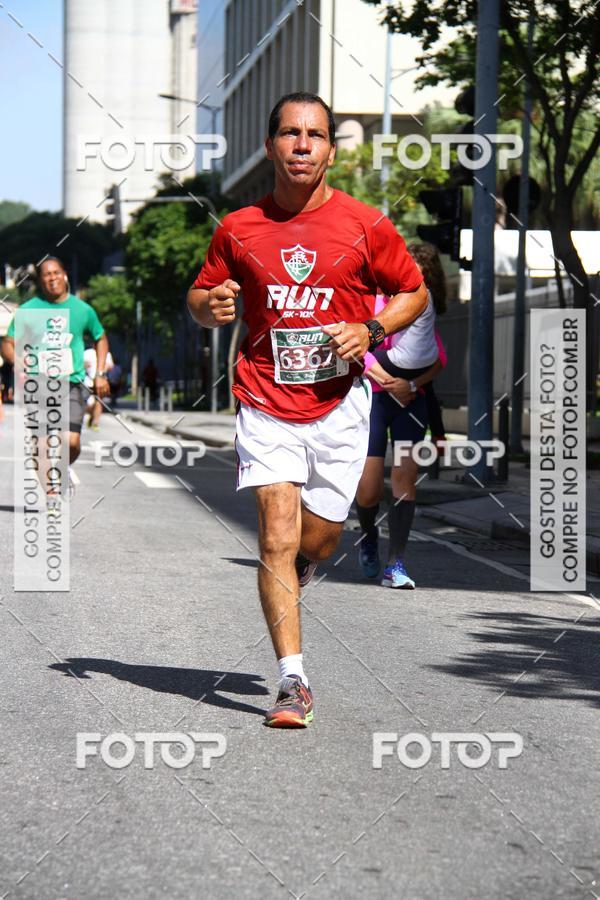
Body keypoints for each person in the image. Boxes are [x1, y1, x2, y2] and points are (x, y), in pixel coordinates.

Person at [187, 91, 427, 728]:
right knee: (276, 533)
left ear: (329, 150)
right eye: (289, 134)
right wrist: (207, 306)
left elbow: (413, 290)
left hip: (340, 406)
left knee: (317, 541)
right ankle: (293, 681)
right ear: (270, 146)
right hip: (264, 398)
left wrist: (372, 333)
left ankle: (295, 572)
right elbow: (202, 291)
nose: (301, 145)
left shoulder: (364, 225)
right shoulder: (238, 227)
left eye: (314, 135)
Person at [355, 242, 448, 588]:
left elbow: (439, 359)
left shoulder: (424, 312)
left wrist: (411, 384)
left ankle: (396, 564)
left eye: (421, 280)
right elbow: (357, 350)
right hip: (375, 401)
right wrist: (388, 382)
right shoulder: (375, 301)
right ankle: (367, 534)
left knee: (404, 479)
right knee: (367, 489)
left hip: (412, 402)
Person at [2, 257, 110, 495]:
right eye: (46, 275)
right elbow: (8, 344)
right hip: (37, 383)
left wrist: (100, 374)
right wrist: (18, 361)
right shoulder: (28, 310)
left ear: (65, 275)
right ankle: (51, 494)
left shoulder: (82, 310)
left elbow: (100, 338)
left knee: (70, 441)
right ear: (40, 281)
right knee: (41, 444)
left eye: (56, 273)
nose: (52, 278)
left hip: (72, 382)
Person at [84, 346, 114, 429]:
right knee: (87, 403)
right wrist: (85, 365)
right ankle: (91, 413)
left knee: (99, 402)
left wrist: (105, 368)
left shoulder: (106, 353)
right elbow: (80, 365)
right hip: (88, 381)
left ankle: (95, 423)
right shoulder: (88, 352)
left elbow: (111, 365)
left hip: (100, 382)